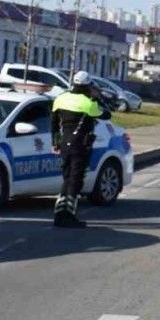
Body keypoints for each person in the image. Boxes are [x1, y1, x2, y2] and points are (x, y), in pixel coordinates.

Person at [51, 71, 110, 228]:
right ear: (88, 86)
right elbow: (107, 114)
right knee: (76, 180)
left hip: (64, 143)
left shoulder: (60, 98)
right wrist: (97, 97)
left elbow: (54, 124)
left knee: (67, 177)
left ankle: (59, 214)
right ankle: (69, 216)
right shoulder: (88, 103)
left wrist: (55, 143)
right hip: (81, 144)